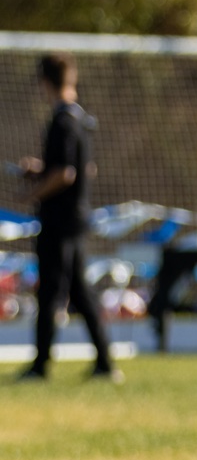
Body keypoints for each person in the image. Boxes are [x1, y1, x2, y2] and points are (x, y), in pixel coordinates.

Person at [14, 54, 117, 383]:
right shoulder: (81, 119)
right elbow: (86, 168)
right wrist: (41, 170)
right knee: (81, 292)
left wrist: (33, 193)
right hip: (76, 218)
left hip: (59, 221)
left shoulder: (62, 121)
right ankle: (105, 362)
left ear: (45, 82)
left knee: (50, 293)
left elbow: (67, 173)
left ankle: (40, 365)